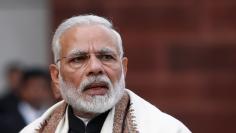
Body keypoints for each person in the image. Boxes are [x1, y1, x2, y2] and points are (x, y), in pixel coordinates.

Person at [21, 14, 191, 133]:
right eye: (79, 59)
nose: (95, 68)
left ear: (123, 69)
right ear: (56, 75)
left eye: (106, 57)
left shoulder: (165, 130)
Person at [0, 68, 54, 133]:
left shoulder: (54, 116)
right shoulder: (6, 120)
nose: (40, 92)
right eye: (35, 88)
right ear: (22, 90)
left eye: (44, 87)